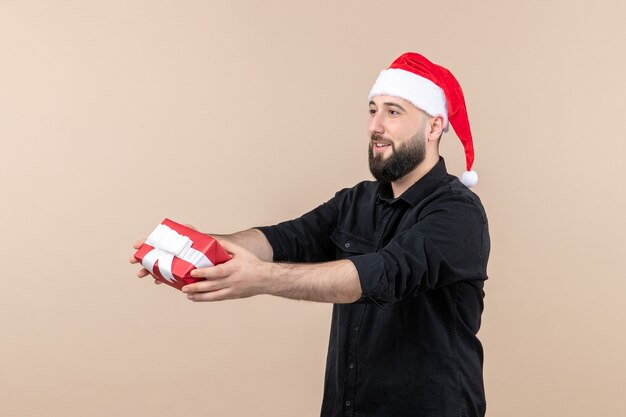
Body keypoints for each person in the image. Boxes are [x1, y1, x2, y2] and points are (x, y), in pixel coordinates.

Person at [131, 52, 490, 417]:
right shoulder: (356, 201)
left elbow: (377, 276)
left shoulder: (458, 212)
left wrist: (261, 279)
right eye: (372, 110)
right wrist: (200, 244)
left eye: (393, 112)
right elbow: (285, 239)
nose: (375, 126)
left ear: (433, 128)